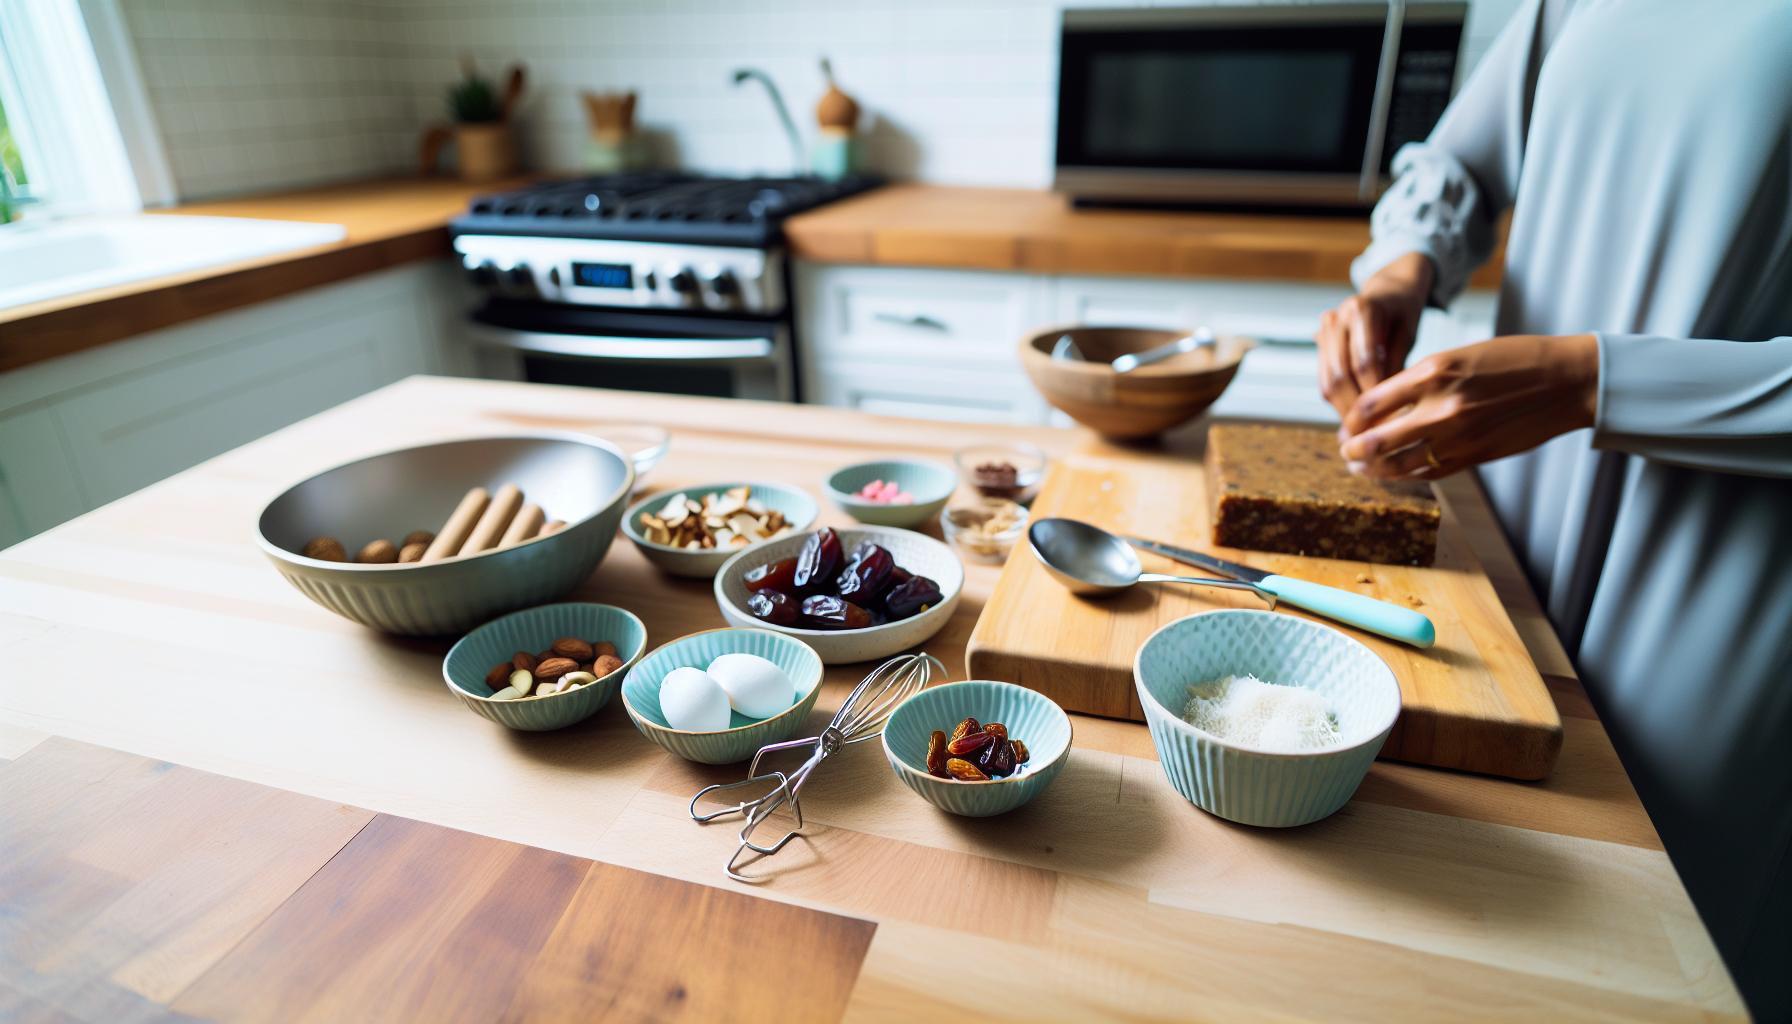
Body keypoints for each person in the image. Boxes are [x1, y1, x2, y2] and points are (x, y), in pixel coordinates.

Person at [1315, 0, 1791, 1016]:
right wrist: (1405, 271)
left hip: (1721, 594)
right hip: (1504, 527)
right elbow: (1461, 168)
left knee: (1642, 957)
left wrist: (1597, 385)